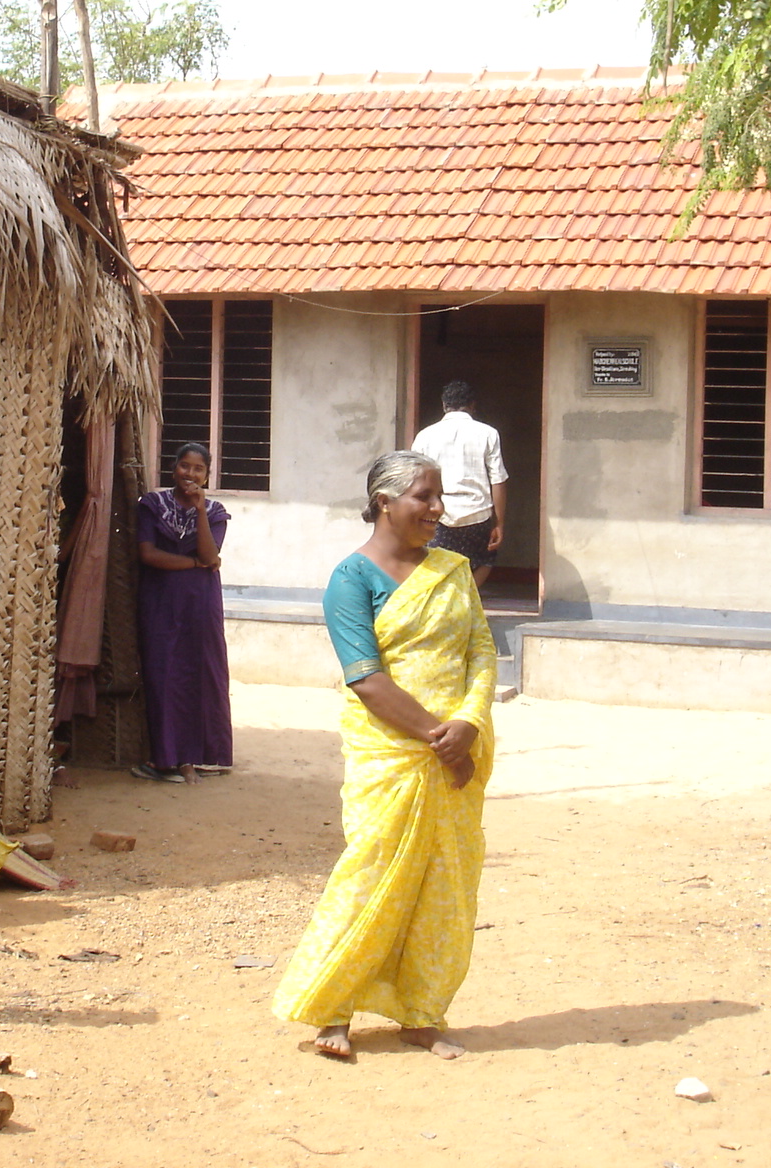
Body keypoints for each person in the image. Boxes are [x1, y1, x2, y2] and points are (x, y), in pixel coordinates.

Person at [272, 450, 497, 1061]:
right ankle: (332, 1009)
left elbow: (481, 649)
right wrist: (436, 736)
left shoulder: (452, 569)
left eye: (438, 495)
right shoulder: (351, 579)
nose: (438, 509)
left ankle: (422, 1012)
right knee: (371, 879)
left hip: (458, 749)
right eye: (424, 496)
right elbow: (364, 677)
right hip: (394, 753)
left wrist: (469, 724)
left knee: (444, 886)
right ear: (384, 503)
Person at [133, 441, 232, 783]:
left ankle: (205, 755)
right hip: (160, 600)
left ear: (207, 475)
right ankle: (167, 759)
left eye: (198, 469)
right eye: (184, 466)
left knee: (202, 673)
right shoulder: (151, 504)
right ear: (173, 468)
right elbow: (148, 555)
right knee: (164, 673)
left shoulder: (216, 512)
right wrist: (193, 563)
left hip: (200, 604)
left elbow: (210, 553)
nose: (190, 474)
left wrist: (200, 511)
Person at [412, 380, 509, 588]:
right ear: (472, 406)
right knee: (486, 559)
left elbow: (413, 479)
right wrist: (499, 524)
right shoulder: (488, 433)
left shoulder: (425, 436)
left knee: (434, 564)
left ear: (444, 405)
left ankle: (445, 604)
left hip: (438, 514)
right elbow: (498, 480)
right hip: (478, 515)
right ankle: (466, 597)